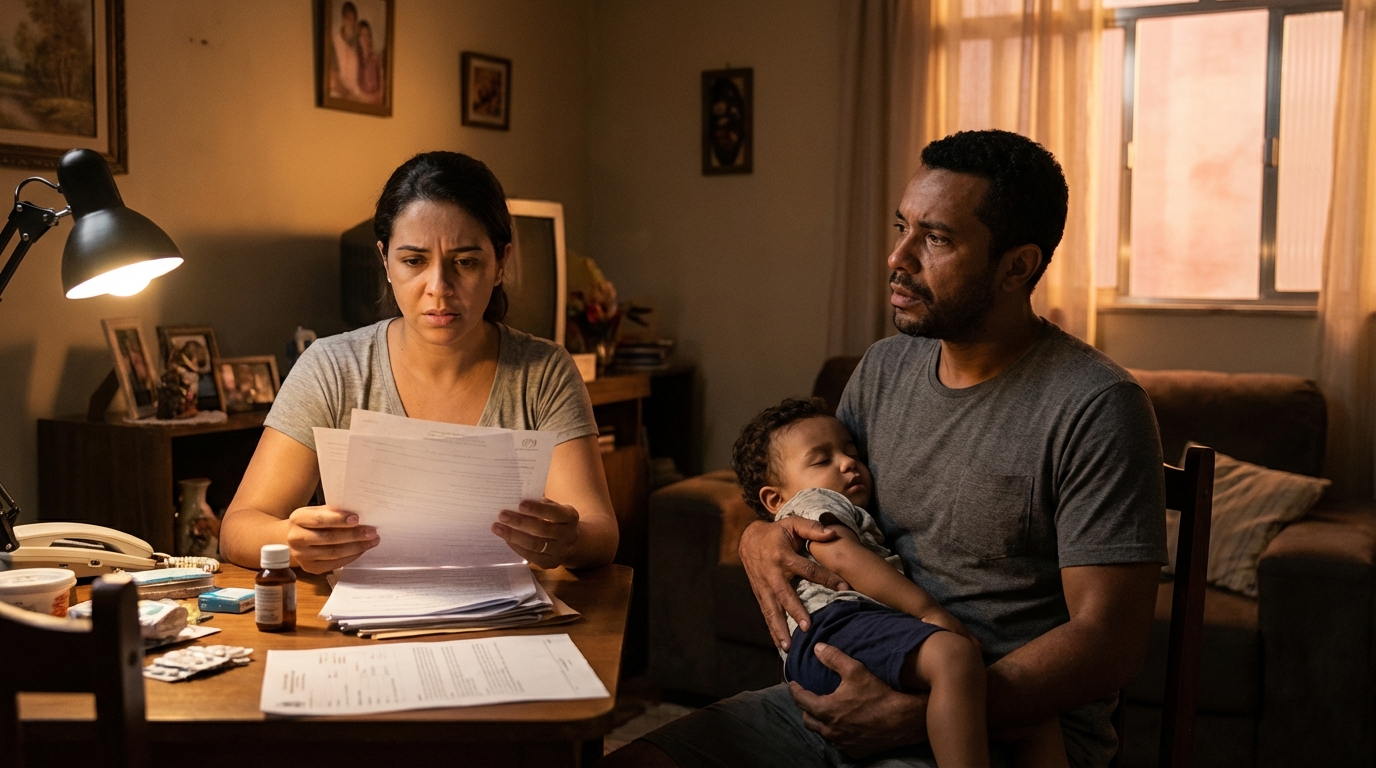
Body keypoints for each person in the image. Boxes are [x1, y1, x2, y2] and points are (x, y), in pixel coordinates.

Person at [602, 130, 1165, 767]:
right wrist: (760, 534)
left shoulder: (1097, 406)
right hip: (850, 692)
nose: (898, 257)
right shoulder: (883, 369)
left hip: (1001, 728)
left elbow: (1108, 643)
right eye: (902, 226)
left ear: (1017, 266)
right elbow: (819, 501)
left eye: (936, 238)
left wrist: (919, 715)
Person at [220, 151, 619, 574]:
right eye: (414, 261)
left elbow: (601, 533)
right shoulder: (331, 369)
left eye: (465, 262)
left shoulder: (545, 372)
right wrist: (292, 541)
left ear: (501, 263)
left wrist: (569, 539)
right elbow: (239, 527)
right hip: (362, 612)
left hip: (510, 609)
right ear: (385, 261)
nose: (439, 287)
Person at [732, 397, 1066, 768]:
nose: (847, 463)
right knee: (954, 656)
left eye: (851, 452)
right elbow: (842, 557)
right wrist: (927, 610)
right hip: (837, 625)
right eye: (822, 460)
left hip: (822, 649)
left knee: (1034, 717)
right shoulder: (814, 501)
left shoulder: (839, 508)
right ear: (775, 498)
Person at [328, 1, 362, 101]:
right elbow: (334, 80)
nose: (352, 23)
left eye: (354, 20)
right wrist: (351, 97)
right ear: (343, 20)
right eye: (349, 19)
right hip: (337, 100)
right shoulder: (334, 43)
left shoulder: (356, 47)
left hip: (354, 102)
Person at [356, 20, 384, 105]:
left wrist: (374, 99)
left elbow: (382, 87)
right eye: (362, 35)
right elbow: (354, 89)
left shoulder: (376, 59)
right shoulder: (355, 60)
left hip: (375, 104)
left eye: (367, 35)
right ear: (358, 38)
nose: (365, 38)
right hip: (359, 103)